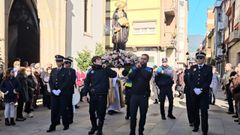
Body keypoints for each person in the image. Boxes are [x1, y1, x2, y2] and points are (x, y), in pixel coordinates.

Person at [82, 56, 117, 135]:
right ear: (94, 62)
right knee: (91, 112)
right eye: (98, 60)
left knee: (101, 113)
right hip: (93, 95)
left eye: (100, 59)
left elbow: (114, 75)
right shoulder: (90, 72)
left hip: (102, 95)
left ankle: (100, 129)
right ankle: (94, 127)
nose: (100, 61)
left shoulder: (105, 70)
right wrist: (84, 94)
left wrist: (107, 67)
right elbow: (86, 84)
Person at [128, 54, 153, 135]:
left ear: (147, 60)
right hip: (134, 95)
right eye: (141, 58)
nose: (142, 60)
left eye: (144, 59)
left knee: (143, 115)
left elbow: (146, 77)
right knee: (133, 114)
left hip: (144, 95)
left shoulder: (149, 69)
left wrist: (139, 68)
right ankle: (132, 131)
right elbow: (130, 77)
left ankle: (140, 131)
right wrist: (136, 68)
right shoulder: (134, 68)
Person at [189, 51, 213, 135]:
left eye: (201, 58)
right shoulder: (192, 67)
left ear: (204, 59)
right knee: (195, 110)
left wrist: (201, 89)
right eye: (198, 58)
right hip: (194, 93)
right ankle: (196, 126)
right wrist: (194, 88)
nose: (199, 59)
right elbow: (190, 80)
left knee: (204, 112)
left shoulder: (208, 68)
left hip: (204, 94)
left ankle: (204, 130)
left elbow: (208, 81)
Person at [47, 55, 70, 132]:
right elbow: (50, 81)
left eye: (59, 61)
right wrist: (53, 90)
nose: (58, 63)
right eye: (57, 61)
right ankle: (53, 125)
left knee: (63, 110)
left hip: (62, 93)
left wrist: (60, 90)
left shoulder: (66, 70)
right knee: (54, 110)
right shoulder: (53, 70)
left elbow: (67, 82)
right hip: (54, 94)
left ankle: (66, 124)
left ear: (62, 62)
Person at [64, 57, 76, 124]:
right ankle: (64, 117)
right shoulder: (63, 70)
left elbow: (72, 80)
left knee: (69, 105)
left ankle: (70, 119)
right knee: (63, 105)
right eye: (65, 63)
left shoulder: (72, 71)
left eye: (67, 63)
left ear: (70, 64)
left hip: (69, 90)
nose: (66, 64)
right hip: (62, 90)